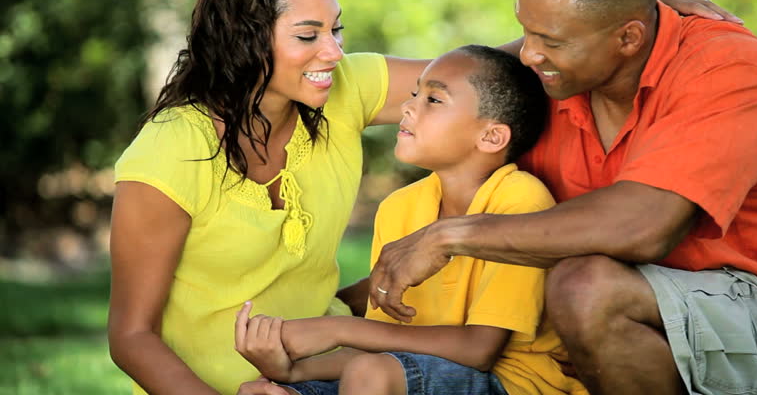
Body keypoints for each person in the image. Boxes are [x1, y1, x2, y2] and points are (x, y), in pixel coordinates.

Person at [107, 0, 740, 395]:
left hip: (324, 373)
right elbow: (130, 337)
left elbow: (478, 78)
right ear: (245, 39)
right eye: (308, 35)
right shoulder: (171, 150)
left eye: (337, 29)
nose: (332, 51)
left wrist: (621, 17)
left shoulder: (340, 87)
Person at [368, 0, 757, 395]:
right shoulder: (556, 71)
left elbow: (644, 226)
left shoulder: (727, 67)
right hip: (631, 329)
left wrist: (447, 237)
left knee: (585, 288)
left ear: (628, 38)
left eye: (552, 40)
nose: (530, 55)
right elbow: (429, 89)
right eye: (527, 32)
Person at [234, 45, 589, 395]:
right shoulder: (399, 207)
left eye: (433, 100)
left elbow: (479, 351)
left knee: (372, 373)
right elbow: (382, 349)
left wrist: (339, 329)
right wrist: (293, 372)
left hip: (511, 382)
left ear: (491, 136)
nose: (407, 106)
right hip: (410, 373)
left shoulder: (519, 200)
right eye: (415, 93)